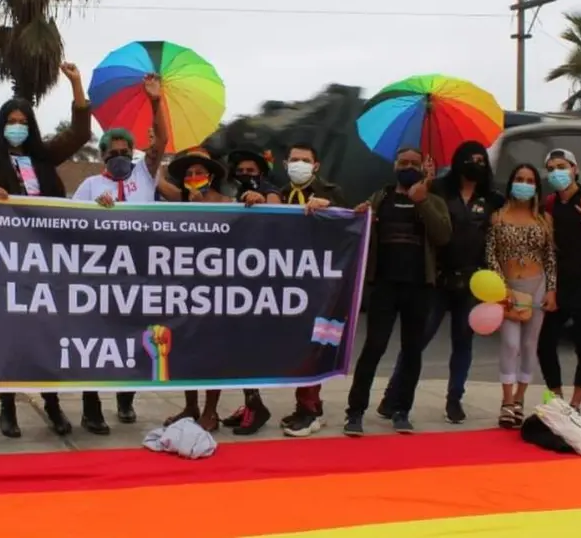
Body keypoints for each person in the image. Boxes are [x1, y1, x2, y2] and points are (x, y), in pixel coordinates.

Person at [0, 62, 92, 438]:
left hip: (49, 262)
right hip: (8, 263)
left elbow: (80, 133)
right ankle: (6, 406)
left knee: (48, 334)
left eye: (23, 121)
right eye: (11, 121)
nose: (17, 126)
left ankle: (52, 402)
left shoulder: (44, 157)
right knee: (10, 337)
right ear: (2, 126)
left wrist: (76, 84)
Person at [379, 141, 505, 424]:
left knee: (463, 343)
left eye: (481, 161)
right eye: (470, 160)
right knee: (416, 341)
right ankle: (393, 395)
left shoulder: (493, 199)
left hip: (473, 281)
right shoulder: (439, 190)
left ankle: (454, 399)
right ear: (459, 162)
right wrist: (426, 180)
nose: (476, 165)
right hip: (437, 278)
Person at [225, 142, 344, 437]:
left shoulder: (331, 192)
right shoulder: (278, 193)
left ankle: (310, 410)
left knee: (313, 345)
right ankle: (263, 405)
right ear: (285, 164)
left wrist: (329, 208)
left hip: (316, 284)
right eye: (294, 159)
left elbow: (351, 222)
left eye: (305, 160)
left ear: (316, 166)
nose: (299, 164)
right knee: (277, 344)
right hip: (281, 284)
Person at [71, 74, 168, 432]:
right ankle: (91, 407)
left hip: (140, 274)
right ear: (102, 156)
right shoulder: (90, 185)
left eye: (125, 151)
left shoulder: (145, 174)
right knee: (95, 341)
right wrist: (92, 210)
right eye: (112, 153)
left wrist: (155, 101)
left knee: (135, 338)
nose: (119, 157)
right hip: (99, 277)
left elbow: (162, 141)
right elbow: (67, 224)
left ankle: (126, 398)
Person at [344, 147, 452, 437]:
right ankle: (355, 412)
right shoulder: (380, 198)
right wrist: (363, 218)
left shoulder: (434, 201)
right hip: (384, 285)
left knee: (412, 351)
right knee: (374, 347)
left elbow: (443, 235)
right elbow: (357, 225)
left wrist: (423, 201)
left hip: (419, 287)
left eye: (414, 163)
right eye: (403, 162)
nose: (408, 167)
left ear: (424, 168)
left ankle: (402, 410)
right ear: (394, 166)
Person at [160, 149, 264, 432]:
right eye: (189, 174)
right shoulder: (180, 202)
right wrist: (160, 150)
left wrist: (256, 199)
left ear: (212, 176)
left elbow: (252, 224)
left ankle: (210, 411)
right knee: (185, 349)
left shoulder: (229, 203)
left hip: (217, 290)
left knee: (212, 351)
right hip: (186, 288)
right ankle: (190, 406)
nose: (194, 177)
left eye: (199, 172)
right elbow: (156, 178)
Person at [486, 164, 556, 428]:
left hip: (537, 286)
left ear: (536, 186)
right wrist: (500, 287)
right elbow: (490, 254)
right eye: (519, 179)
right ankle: (506, 400)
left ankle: (518, 399)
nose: (524, 184)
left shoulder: (544, 219)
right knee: (510, 343)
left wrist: (551, 289)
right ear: (511, 182)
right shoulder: (497, 217)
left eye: (529, 180)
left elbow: (550, 257)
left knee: (529, 345)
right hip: (508, 288)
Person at [538, 148, 581, 412]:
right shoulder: (549, 204)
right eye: (551, 169)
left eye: (562, 167)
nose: (557, 173)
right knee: (544, 344)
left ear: (575, 169)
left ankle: (575, 405)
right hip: (557, 285)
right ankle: (557, 400)